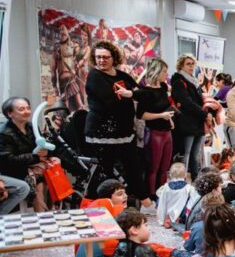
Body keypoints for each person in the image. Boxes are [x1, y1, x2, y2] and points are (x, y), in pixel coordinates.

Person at [83, 42, 150, 206]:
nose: (101, 60)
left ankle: (143, 199)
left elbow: (145, 93)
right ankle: (93, 203)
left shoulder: (121, 75)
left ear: (113, 58)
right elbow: (110, 101)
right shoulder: (94, 76)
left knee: (133, 165)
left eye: (105, 57)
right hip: (103, 132)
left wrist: (130, 93)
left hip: (124, 131)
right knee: (104, 171)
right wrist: (131, 96)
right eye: (98, 57)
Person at [0, 97, 61, 211]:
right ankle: (44, 213)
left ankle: (50, 209)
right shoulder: (4, 133)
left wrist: (46, 152)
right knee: (38, 180)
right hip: (14, 170)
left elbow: (42, 146)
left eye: (28, 108)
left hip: (31, 166)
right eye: (21, 109)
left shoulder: (31, 127)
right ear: (10, 113)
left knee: (54, 163)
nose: (27, 111)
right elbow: (8, 160)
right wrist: (36, 157)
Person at [135, 58, 175, 199]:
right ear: (156, 71)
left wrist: (169, 119)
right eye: (164, 71)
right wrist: (161, 115)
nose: (166, 74)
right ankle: (152, 194)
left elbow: (165, 107)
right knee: (153, 168)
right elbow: (141, 115)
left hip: (167, 132)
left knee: (165, 167)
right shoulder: (145, 91)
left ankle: (162, 192)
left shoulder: (163, 88)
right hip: (154, 133)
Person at [171, 54, 208, 180]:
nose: (191, 66)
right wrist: (204, 114)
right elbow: (186, 102)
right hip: (186, 122)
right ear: (181, 65)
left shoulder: (193, 80)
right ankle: (180, 181)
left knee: (195, 154)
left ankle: (195, 180)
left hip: (197, 121)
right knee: (185, 154)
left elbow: (199, 100)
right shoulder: (178, 80)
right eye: (188, 64)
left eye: (193, 64)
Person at [156, 162, 193, 228]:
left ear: (170, 175)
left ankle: (168, 218)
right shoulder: (188, 187)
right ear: (185, 175)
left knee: (160, 198)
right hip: (181, 211)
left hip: (168, 209)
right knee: (190, 200)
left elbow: (158, 195)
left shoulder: (166, 186)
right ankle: (179, 219)